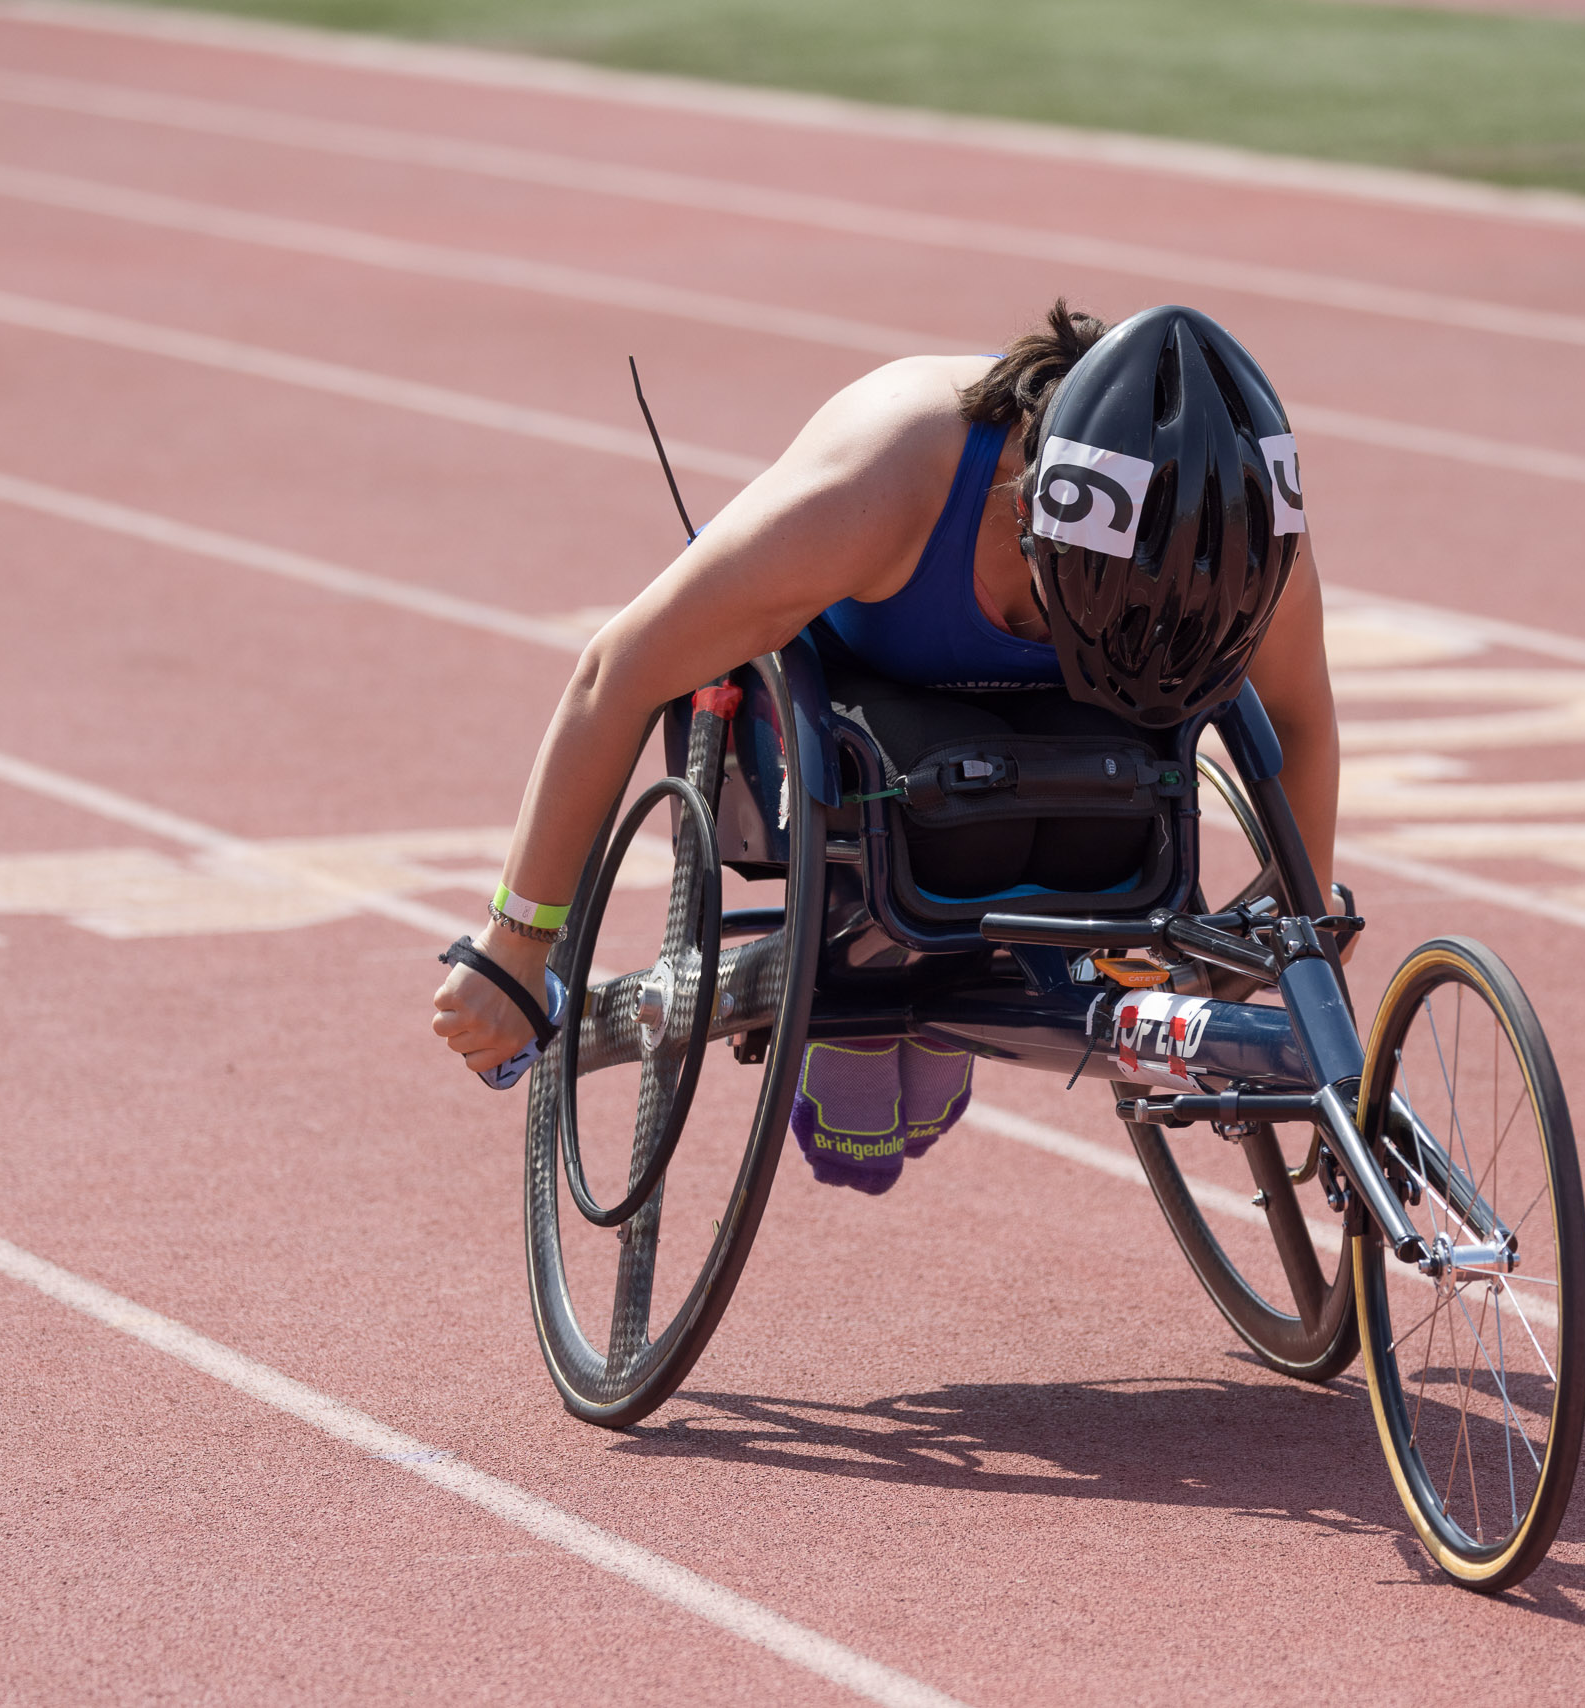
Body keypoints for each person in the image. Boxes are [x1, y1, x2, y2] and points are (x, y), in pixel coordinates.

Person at [429, 302, 1340, 1182]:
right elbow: (615, 672)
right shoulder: (891, 470)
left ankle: (961, 969)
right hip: (863, 718)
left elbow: (1297, 718)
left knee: (1113, 819)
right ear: (1026, 516)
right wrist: (518, 941)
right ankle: (873, 987)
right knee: (952, 836)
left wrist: (1295, 944)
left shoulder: (1251, 535)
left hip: (1064, 746)